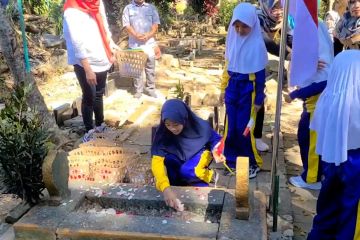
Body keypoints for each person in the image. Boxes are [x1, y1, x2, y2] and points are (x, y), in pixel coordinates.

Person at [307, 50, 360, 239]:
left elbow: (319, 132)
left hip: (331, 162)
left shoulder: (328, 100)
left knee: (328, 206)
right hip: (355, 165)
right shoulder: (355, 104)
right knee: (350, 214)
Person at [219, 3, 268, 179]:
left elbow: (261, 76)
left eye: (245, 26)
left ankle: (251, 162)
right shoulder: (232, 41)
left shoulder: (257, 45)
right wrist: (222, 89)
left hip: (249, 90)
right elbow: (227, 67)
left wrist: (259, 100)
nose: (239, 30)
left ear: (253, 24)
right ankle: (232, 159)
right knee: (231, 126)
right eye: (237, 26)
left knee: (244, 127)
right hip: (232, 88)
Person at [284, 21, 334, 190]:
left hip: (316, 107)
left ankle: (312, 178)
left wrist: (294, 95)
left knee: (311, 141)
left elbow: (321, 83)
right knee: (306, 137)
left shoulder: (322, 57)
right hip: (312, 105)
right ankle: (316, 172)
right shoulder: (317, 54)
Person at [151, 99, 225, 210]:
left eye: (176, 124)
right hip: (178, 153)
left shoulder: (200, 126)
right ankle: (178, 185)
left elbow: (216, 140)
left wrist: (217, 151)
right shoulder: (163, 132)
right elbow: (156, 160)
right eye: (168, 125)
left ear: (184, 119)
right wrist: (165, 188)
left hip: (198, 151)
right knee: (169, 161)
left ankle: (209, 176)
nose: (172, 129)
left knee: (188, 170)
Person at [63, 0, 118, 141]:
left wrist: (110, 44)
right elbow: (76, 42)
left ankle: (100, 124)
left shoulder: (97, 2)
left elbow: (104, 26)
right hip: (84, 62)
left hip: (101, 56)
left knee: (99, 94)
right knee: (89, 96)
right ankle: (89, 131)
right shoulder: (72, 9)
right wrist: (87, 69)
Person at [254, 0, 294, 152]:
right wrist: (289, 55)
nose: (278, 11)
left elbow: (292, 40)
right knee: (245, 100)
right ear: (266, 6)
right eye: (274, 7)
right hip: (246, 62)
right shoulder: (256, 18)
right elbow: (266, 42)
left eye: (281, 7)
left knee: (260, 98)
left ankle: (257, 136)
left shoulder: (284, 21)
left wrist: (304, 57)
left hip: (260, 64)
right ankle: (241, 136)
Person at [122, 0, 160, 99]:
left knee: (150, 68)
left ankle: (151, 89)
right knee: (136, 69)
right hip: (135, 44)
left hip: (149, 44)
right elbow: (127, 25)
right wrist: (135, 35)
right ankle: (138, 91)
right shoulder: (128, 8)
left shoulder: (151, 8)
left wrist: (148, 35)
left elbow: (155, 25)